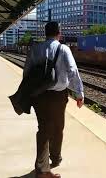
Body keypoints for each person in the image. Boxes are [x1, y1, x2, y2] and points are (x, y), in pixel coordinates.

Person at [23, 22, 84, 178]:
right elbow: (72, 71)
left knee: (43, 128)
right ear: (59, 33)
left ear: (45, 33)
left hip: (38, 95)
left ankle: (47, 163)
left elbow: (27, 72)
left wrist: (28, 93)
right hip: (58, 96)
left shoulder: (35, 49)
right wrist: (79, 93)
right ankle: (48, 165)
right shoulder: (63, 49)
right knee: (57, 128)